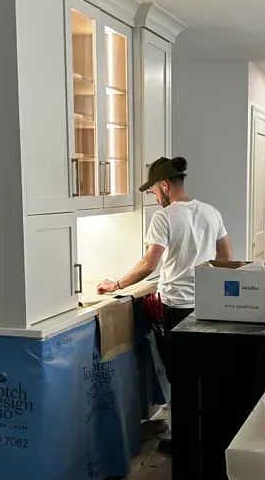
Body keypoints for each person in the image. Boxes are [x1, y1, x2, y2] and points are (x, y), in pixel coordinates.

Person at [97, 156, 232, 382]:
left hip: (175, 307)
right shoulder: (211, 212)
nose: (157, 199)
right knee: (202, 371)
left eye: (154, 192)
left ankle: (180, 417)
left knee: (178, 374)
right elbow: (226, 257)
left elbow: (150, 264)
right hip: (204, 307)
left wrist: (116, 285)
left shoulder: (164, 217)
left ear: (165, 186)